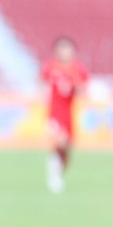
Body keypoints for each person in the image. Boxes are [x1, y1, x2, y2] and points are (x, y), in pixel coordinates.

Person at [40, 37, 89, 194]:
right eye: (61, 49)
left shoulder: (78, 70)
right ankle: (53, 177)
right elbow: (41, 84)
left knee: (67, 148)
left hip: (69, 114)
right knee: (60, 142)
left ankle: (57, 172)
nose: (64, 52)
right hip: (54, 113)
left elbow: (83, 91)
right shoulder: (50, 67)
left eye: (67, 49)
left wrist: (77, 84)